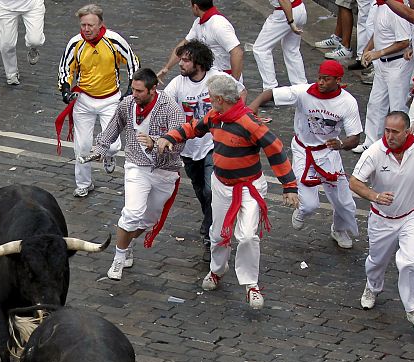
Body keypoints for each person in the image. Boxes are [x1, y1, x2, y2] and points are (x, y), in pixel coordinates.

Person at [156, 74, 299, 309]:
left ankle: (251, 284)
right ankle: (217, 270)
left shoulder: (249, 123)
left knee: (248, 236)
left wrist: (289, 186)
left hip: (249, 188)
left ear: (220, 99)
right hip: (222, 185)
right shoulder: (215, 116)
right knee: (218, 233)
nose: (209, 101)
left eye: (211, 98)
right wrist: (170, 136)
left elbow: (275, 149)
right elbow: (194, 128)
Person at [349, 111, 414, 332]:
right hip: (382, 218)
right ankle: (372, 287)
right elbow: (355, 182)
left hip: (412, 216)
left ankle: (413, 308)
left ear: (407, 132)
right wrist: (375, 196)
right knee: (376, 261)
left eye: (395, 131)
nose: (390, 136)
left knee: (411, 262)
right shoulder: (374, 152)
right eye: (387, 130)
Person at [249, 60, 363, 249]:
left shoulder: (347, 102)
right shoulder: (303, 92)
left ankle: (339, 229)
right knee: (309, 204)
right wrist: (254, 105)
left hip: (329, 154)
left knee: (345, 203)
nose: (321, 82)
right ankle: (302, 211)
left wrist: (341, 144)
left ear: (338, 80)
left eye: (326, 79)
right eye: (319, 78)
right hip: (303, 151)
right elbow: (271, 94)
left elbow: (355, 138)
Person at [86, 69, 186, 281]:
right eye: (132, 89)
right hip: (136, 166)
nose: (134, 94)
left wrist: (155, 142)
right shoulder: (127, 104)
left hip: (165, 171)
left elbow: (179, 145)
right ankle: (118, 258)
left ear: (153, 89)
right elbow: (113, 127)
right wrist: (100, 148)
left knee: (149, 219)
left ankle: (128, 243)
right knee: (132, 213)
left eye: (139, 91)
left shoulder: (171, 108)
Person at [162, 40, 245, 261]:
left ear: (198, 63)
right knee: (200, 189)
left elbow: (241, 93)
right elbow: (163, 104)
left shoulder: (217, 78)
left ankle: (210, 233)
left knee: (210, 190)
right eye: (181, 59)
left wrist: (234, 121)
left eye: (185, 60)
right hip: (189, 146)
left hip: (213, 144)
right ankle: (209, 219)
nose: (181, 63)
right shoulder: (178, 84)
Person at [57, 4, 140, 198]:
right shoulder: (75, 43)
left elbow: (133, 62)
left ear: (100, 24)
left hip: (110, 100)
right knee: (82, 146)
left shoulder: (114, 40)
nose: (86, 29)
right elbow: (65, 68)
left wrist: (130, 89)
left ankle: (109, 156)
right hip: (83, 100)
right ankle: (84, 184)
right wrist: (65, 89)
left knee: (113, 145)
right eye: (83, 25)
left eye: (90, 25)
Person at [354, 0, 412, 151]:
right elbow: (378, 32)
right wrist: (367, 50)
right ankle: (371, 143)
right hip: (383, 65)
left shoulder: (396, 10)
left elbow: (404, 42)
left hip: (398, 65)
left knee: (398, 107)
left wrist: (379, 53)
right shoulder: (380, 7)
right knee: (375, 104)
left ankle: (401, 145)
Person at [157, 0, 244, 82]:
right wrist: (167, 68)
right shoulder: (198, 23)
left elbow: (237, 53)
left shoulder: (219, 25)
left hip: (224, 78)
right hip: (210, 77)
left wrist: (234, 83)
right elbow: (183, 45)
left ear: (195, 7)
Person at [252, 0, 307, 90]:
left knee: (260, 49)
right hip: (299, 8)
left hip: (285, 13)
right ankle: (301, 87)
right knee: (291, 49)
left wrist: (291, 22)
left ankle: (270, 88)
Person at [0, 0, 46, 86]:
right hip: (6, 7)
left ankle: (33, 47)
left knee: (35, 40)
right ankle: (11, 73)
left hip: (32, 5)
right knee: (6, 45)